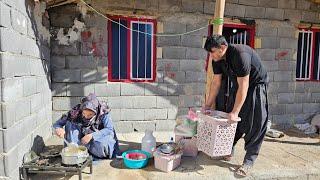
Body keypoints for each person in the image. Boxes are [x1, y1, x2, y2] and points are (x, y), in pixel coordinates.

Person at [203, 35, 269, 177]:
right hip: (238, 86)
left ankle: (249, 161)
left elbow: (244, 86)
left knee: (254, 123)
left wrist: (236, 111)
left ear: (223, 47)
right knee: (230, 120)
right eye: (209, 52)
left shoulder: (240, 55)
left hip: (255, 86)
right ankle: (228, 149)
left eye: (212, 51)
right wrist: (207, 105)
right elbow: (216, 83)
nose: (211, 55)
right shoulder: (217, 59)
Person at [53, 93, 120, 159]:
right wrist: (58, 129)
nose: (86, 117)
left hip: (97, 138)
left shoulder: (103, 112)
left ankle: (89, 150)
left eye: (90, 114)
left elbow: (109, 129)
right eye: (84, 113)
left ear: (96, 111)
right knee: (69, 123)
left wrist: (92, 136)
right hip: (81, 139)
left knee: (103, 146)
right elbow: (57, 124)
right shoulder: (75, 111)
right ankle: (75, 150)